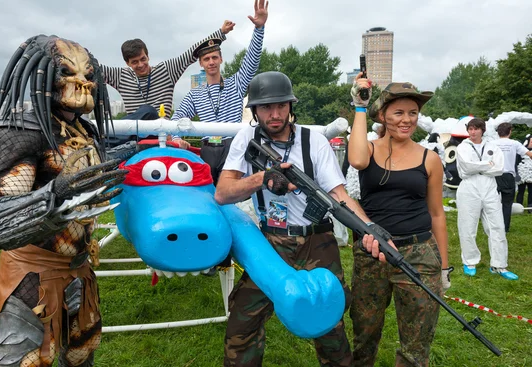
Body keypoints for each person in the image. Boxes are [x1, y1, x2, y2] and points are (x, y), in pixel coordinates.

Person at [215, 71, 389, 367]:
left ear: (290, 106)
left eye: (281, 106)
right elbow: (222, 193)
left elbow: (339, 195)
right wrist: (262, 179)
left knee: (329, 324)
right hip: (270, 243)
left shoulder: (314, 142)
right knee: (243, 323)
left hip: (317, 241)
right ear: (255, 110)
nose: (274, 114)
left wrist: (369, 228)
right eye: (266, 107)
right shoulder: (247, 138)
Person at [0, 35, 126, 366]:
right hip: (31, 276)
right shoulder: (23, 130)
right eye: (68, 73)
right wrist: (54, 196)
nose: (82, 84)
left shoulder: (88, 133)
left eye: (88, 75)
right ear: (43, 76)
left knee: (81, 358)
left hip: (80, 271)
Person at [348, 75, 450, 367]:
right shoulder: (368, 149)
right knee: (364, 332)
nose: (407, 120)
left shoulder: (429, 159)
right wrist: (358, 106)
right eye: (398, 112)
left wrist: (443, 266)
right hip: (372, 252)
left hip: (418, 254)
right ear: (382, 115)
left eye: (413, 113)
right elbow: (355, 160)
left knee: (417, 340)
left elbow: (437, 214)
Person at [171, 0, 268, 186]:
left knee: (231, 194)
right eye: (206, 59)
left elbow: (252, 60)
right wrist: (176, 138)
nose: (211, 62)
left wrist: (259, 29)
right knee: (208, 194)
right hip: (208, 149)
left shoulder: (236, 84)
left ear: (221, 59)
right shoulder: (195, 93)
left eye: (215, 57)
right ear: (201, 63)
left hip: (232, 147)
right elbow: (178, 118)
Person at [100, 21, 235, 119]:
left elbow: (191, 53)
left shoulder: (166, 71)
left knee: (149, 111)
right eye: (134, 62)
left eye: (143, 59)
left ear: (148, 56)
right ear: (127, 63)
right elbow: (93, 68)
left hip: (161, 133)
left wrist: (221, 32)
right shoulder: (121, 76)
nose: (140, 65)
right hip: (134, 136)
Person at [456, 118, 518, 280]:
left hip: (490, 188)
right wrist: (487, 165)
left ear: (482, 130)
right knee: (468, 226)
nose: (473, 132)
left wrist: (479, 167)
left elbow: (499, 168)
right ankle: (469, 261)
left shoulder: (492, 146)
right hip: (469, 187)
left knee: (497, 226)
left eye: (476, 129)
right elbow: (466, 167)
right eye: (470, 129)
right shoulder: (463, 147)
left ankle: (499, 265)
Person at [491, 123, 532, 232]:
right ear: (510, 132)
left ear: (498, 132)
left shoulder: (491, 143)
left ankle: (493, 225)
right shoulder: (514, 143)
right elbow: (529, 154)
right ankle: (505, 227)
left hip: (494, 175)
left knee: (492, 202)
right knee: (507, 203)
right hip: (508, 176)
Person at [516, 133, 532, 209]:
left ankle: (530, 206)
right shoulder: (520, 152)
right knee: (521, 191)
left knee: (531, 191)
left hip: (531, 175)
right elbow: (516, 162)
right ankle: (519, 206)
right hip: (521, 174)